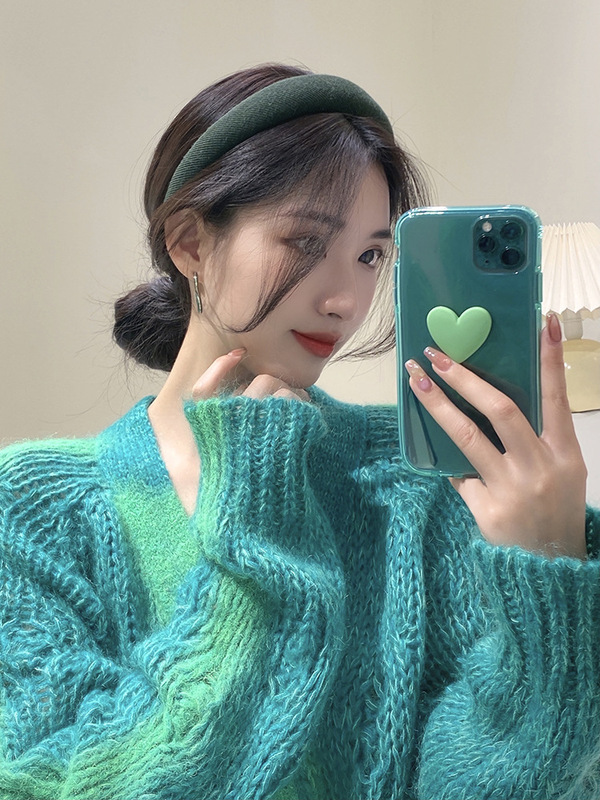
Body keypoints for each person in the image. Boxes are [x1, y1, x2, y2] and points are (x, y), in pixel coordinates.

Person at [0, 63, 598, 800]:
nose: (346, 299)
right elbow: (53, 780)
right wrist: (259, 522)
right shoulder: (32, 508)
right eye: (306, 243)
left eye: (371, 255)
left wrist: (550, 576)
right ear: (189, 243)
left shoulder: (411, 484)